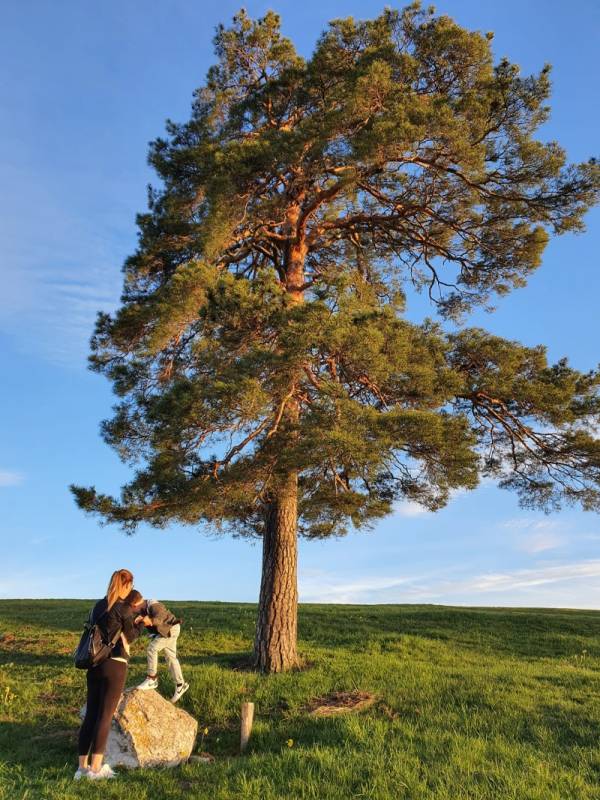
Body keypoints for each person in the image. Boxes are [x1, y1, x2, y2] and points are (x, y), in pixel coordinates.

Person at [75, 568, 139, 781]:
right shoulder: (124, 609)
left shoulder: (98, 606)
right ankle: (96, 768)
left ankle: (81, 768)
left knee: (91, 715)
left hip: (94, 665)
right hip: (115, 664)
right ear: (127, 585)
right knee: (105, 716)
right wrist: (140, 624)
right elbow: (131, 636)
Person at [126, 590, 189, 703]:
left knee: (152, 649)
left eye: (131, 608)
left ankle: (152, 678)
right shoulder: (143, 608)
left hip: (170, 630)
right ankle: (180, 685)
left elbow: (160, 618)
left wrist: (150, 620)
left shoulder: (155, 606)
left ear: (135, 604)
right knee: (171, 658)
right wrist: (140, 619)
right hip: (168, 630)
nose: (132, 611)